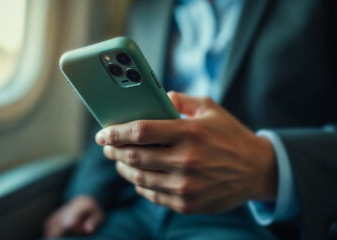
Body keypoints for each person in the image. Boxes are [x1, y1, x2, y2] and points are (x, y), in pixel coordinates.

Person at [44, 0, 337, 239]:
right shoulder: (146, 7)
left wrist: (269, 167)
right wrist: (87, 193)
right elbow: (118, 109)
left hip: (248, 216)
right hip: (135, 203)